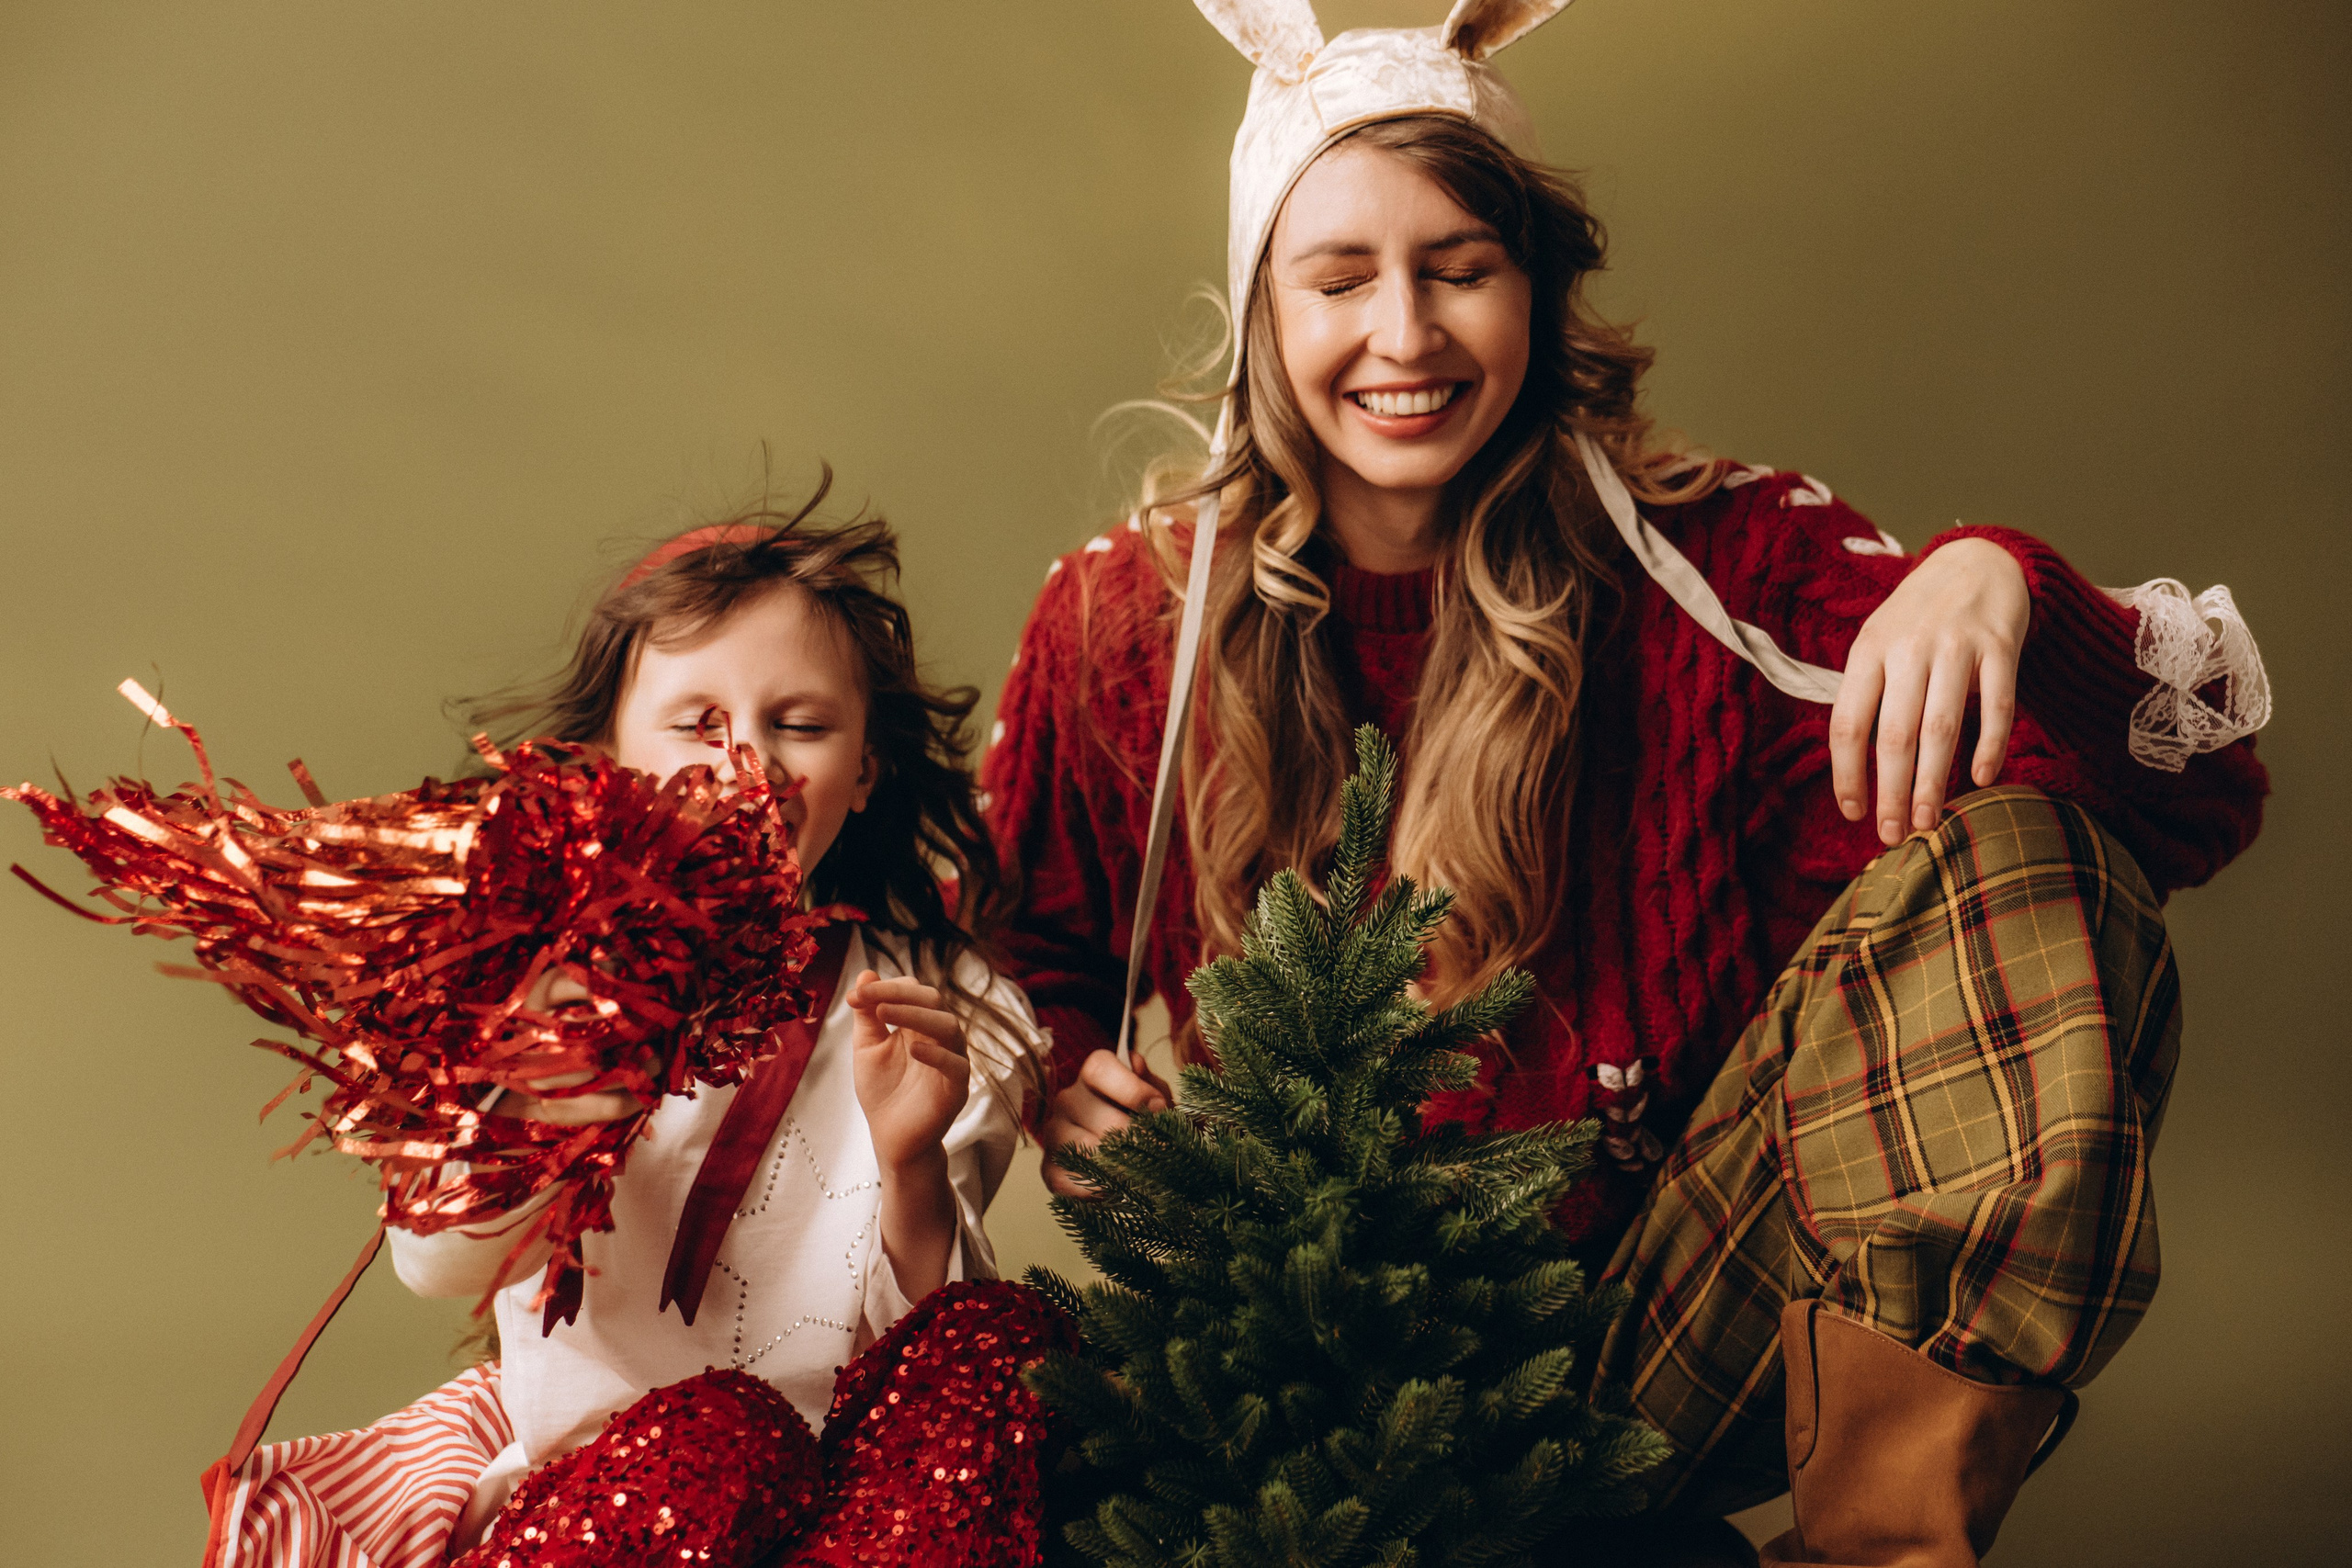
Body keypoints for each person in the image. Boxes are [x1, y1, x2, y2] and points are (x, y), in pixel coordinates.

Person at [983, 6, 2270, 1565]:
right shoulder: (1130, 621)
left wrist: (2009, 587)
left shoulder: (1725, 564)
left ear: (1537, 285)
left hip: (1657, 1332)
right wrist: (1053, 1070)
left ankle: (1883, 1545)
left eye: (1460, 264)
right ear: (1264, 308)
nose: (1405, 335)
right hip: (1313, 1371)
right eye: (1340, 279)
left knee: (2027, 854)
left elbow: (2191, 804)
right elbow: (991, 943)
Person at [210, 489, 1071, 1568]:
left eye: (798, 725)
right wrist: (547, 1106)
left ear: (865, 771)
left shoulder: (945, 1002)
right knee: (719, 1438)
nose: (745, 762)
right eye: (697, 725)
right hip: (606, 1499)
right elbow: (437, 1267)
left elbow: (923, 1365)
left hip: (855, 1508)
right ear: (610, 760)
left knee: (1004, 1345)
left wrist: (908, 1165)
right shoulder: (540, 976)